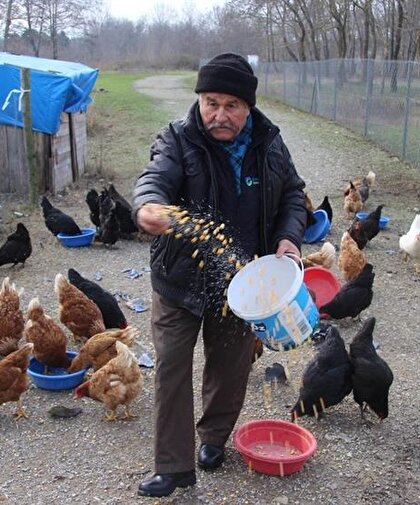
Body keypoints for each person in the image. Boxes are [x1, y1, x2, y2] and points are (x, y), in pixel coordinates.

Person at [132, 53, 307, 497]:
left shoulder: (269, 142)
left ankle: (213, 438)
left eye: (231, 105)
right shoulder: (178, 137)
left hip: (243, 280)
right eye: (211, 102)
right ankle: (173, 467)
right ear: (200, 99)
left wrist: (288, 239)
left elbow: (292, 193)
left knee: (230, 366)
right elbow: (154, 179)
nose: (219, 115)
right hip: (179, 280)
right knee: (171, 366)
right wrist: (148, 207)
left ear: (248, 107)